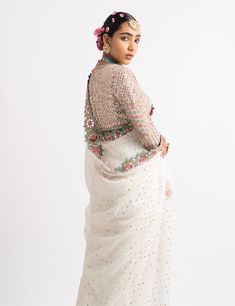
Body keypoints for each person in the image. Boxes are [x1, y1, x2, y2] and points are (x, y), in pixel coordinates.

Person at [75, 11, 174, 306]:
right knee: (134, 261)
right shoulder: (120, 75)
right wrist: (160, 142)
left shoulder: (95, 75)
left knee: (109, 265)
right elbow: (142, 126)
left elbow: (96, 130)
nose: (131, 47)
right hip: (135, 182)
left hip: (109, 176)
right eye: (124, 38)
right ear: (106, 39)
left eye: (137, 40)